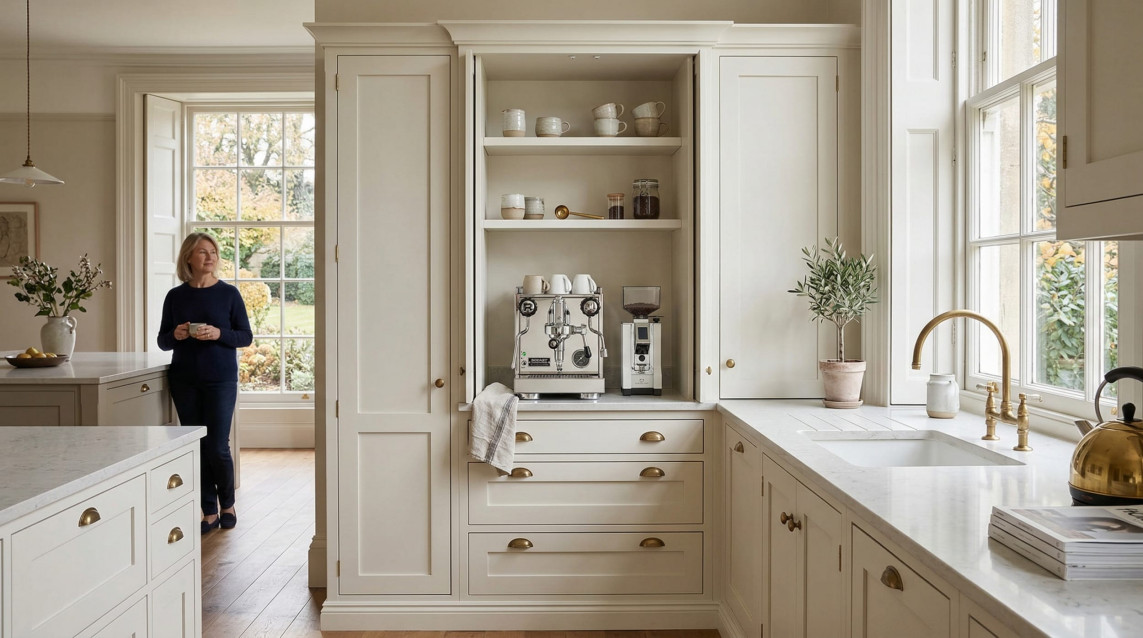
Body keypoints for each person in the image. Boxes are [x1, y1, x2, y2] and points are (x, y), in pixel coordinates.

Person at [158, 232, 253, 534]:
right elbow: (162, 341)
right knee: (196, 446)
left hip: (221, 380)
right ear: (188, 257)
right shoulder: (175, 296)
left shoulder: (229, 294)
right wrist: (177, 334)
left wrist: (219, 334)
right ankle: (208, 511)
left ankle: (228, 504)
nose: (210, 257)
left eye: (213, 251)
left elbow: (245, 337)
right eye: (202, 252)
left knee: (217, 446)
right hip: (184, 380)